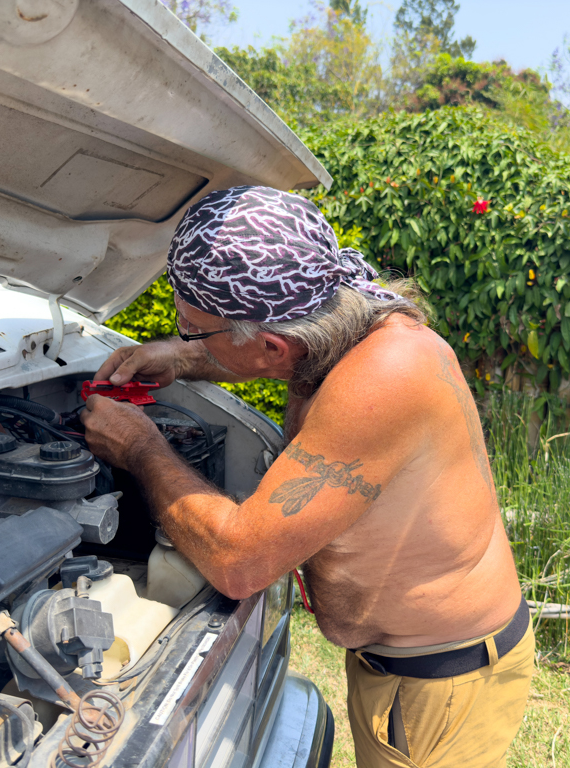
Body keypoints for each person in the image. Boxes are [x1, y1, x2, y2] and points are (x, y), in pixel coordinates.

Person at [81, 186, 533, 768]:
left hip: (440, 683)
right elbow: (263, 355)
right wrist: (187, 356)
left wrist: (141, 448)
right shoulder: (338, 328)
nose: (181, 333)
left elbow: (240, 563)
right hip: (404, 665)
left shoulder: (385, 378)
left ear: (272, 344)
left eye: (190, 328)